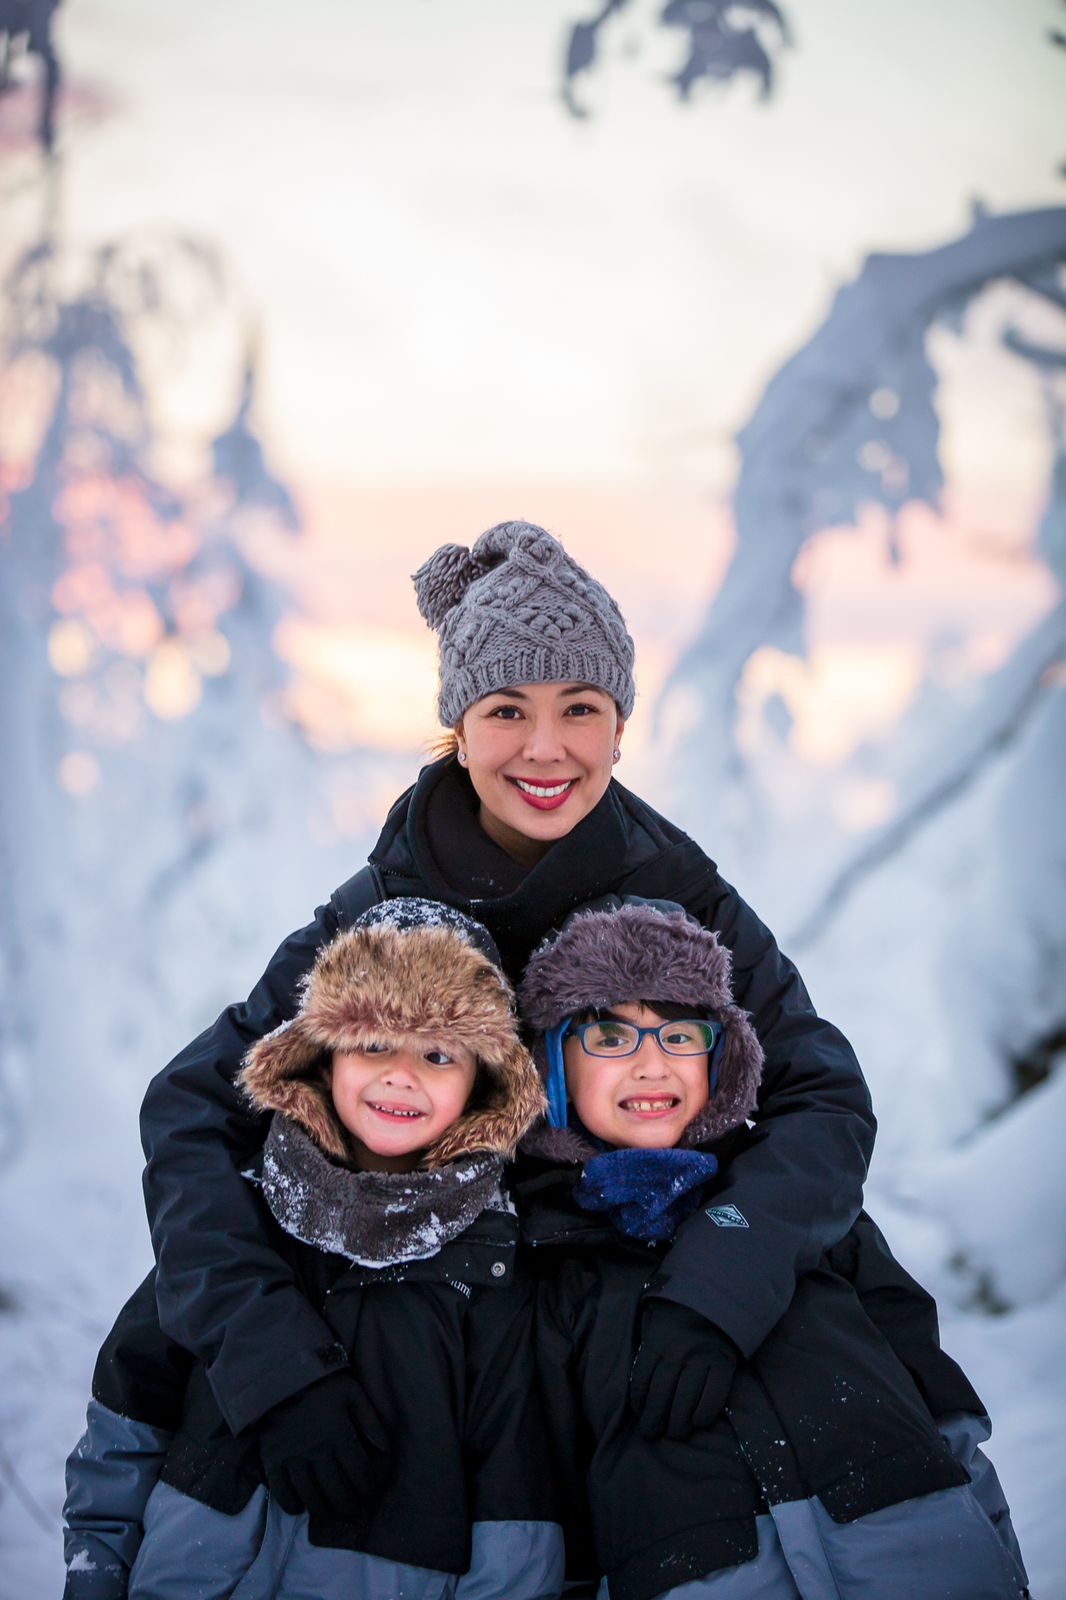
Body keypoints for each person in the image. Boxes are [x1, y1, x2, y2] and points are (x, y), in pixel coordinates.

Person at [139, 519, 877, 1523]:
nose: (545, 747)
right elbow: (193, 1107)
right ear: (458, 725)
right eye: (505, 709)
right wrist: (272, 1362)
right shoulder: (378, 915)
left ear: (619, 726)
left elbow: (820, 1094)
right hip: (441, 1356)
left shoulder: (684, 899)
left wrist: (721, 1289)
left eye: (579, 706)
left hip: (643, 1332)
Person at [515, 897, 1029, 1600]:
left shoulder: (797, 1214)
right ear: (552, 1068)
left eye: (681, 1035)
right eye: (609, 1039)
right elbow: (552, 1518)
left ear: (721, 1056)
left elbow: (946, 1417)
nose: (651, 1065)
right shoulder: (544, 1264)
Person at [64, 900, 562, 1600]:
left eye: (439, 1053)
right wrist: (96, 1573)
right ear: (322, 1059)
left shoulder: (493, 1271)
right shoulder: (243, 1224)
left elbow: (517, 1528)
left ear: (483, 1083)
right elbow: (128, 1416)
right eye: (372, 1043)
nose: (401, 1074)